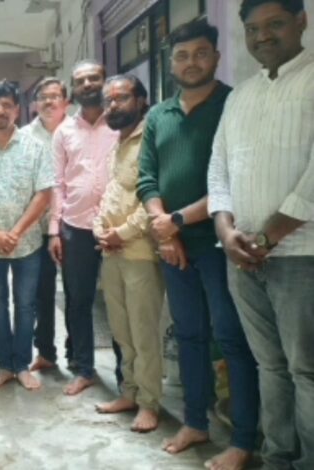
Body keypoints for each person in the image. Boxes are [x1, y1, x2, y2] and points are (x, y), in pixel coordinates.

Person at [137, 19, 259, 468]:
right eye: (182, 56)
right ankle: (195, 422)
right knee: (189, 335)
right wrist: (164, 230)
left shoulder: (233, 105)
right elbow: (147, 178)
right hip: (175, 247)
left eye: (200, 54)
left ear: (216, 57)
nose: (191, 63)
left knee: (231, 339)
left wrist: (174, 222)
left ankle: (243, 439)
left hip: (220, 244)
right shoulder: (158, 115)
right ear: (170, 62)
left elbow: (233, 179)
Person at [208, 1, 314, 468]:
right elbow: (219, 168)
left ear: (301, 21)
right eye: (253, 29)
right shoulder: (240, 96)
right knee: (269, 365)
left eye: (275, 24)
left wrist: (267, 238)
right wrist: (226, 228)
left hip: (301, 255)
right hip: (241, 256)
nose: (262, 36)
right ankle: (278, 457)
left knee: (306, 370)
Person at [0, 80, 54, 391]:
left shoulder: (36, 148)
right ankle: (4, 365)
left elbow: (44, 194)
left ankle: (22, 365)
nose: (1, 110)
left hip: (27, 244)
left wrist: (15, 232)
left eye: (7, 105)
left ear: (17, 110)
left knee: (26, 305)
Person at [92, 75, 164, 434]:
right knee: (121, 331)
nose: (112, 105)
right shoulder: (118, 142)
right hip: (112, 253)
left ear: (141, 100)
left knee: (143, 332)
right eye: (108, 100)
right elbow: (111, 194)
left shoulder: (151, 137)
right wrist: (99, 229)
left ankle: (150, 403)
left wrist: (121, 233)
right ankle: (130, 392)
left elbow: (153, 196)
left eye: (121, 98)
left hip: (140, 252)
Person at [50, 60, 120, 396]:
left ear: (105, 82)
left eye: (95, 78)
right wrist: (54, 230)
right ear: (73, 90)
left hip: (118, 228)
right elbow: (57, 183)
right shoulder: (64, 132)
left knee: (120, 303)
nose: (88, 84)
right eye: (81, 80)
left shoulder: (120, 124)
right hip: (75, 228)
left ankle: (127, 374)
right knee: (78, 301)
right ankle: (83, 368)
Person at [20, 78, 69, 372]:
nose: (49, 102)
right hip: (37, 230)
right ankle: (46, 352)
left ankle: (77, 354)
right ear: (35, 104)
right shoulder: (25, 137)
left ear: (66, 102)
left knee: (76, 294)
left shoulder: (76, 131)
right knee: (41, 293)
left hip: (73, 226)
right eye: (43, 97)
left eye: (55, 96)